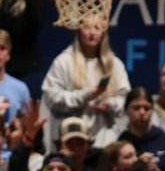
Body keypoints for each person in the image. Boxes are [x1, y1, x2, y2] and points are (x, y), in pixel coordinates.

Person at [41, 21, 130, 151]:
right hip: (72, 140)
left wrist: (110, 104)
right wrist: (86, 95)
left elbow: (125, 100)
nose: (92, 33)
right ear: (78, 31)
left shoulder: (115, 65)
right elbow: (52, 98)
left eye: (97, 28)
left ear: (103, 33)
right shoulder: (64, 62)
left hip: (105, 142)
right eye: (87, 27)